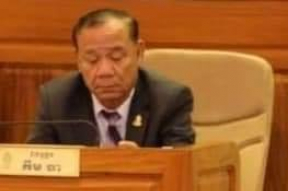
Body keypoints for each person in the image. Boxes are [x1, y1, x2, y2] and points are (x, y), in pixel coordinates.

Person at [26, 8, 194, 147]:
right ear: (77, 60)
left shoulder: (169, 100)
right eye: (92, 60)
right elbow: (35, 164)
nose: (104, 71)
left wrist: (142, 163)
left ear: (139, 52)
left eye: (116, 57)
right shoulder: (55, 100)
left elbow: (182, 166)